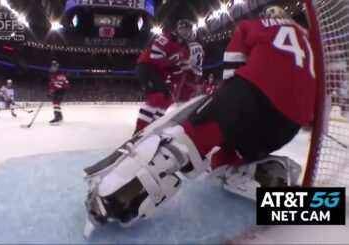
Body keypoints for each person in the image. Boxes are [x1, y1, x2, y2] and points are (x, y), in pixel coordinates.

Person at [83, 5, 315, 227]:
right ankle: (303, 200)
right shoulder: (308, 38)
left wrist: (230, 97)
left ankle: (113, 202)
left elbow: (234, 60)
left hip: (252, 97)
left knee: (183, 145)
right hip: (289, 124)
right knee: (227, 159)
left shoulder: (254, 25)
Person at [133, 19, 193, 134]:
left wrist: (178, 84)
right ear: (178, 28)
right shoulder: (167, 37)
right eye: (183, 28)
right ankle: (139, 131)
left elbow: (183, 70)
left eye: (188, 30)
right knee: (157, 95)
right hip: (147, 66)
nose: (186, 32)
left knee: (168, 98)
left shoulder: (186, 49)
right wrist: (173, 68)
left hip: (161, 72)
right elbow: (154, 56)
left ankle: (154, 126)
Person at [170, 36, 205, 103]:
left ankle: (176, 97)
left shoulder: (187, 47)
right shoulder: (200, 46)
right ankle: (197, 90)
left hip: (189, 70)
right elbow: (203, 55)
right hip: (199, 71)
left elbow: (183, 61)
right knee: (189, 96)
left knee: (182, 96)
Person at [48, 60, 70, 125]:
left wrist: (51, 91)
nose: (53, 68)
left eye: (54, 67)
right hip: (58, 89)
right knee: (55, 102)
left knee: (56, 101)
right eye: (52, 67)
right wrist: (50, 90)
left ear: (57, 67)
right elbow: (53, 83)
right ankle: (59, 117)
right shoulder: (51, 74)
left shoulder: (59, 74)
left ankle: (58, 117)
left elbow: (59, 84)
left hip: (63, 89)